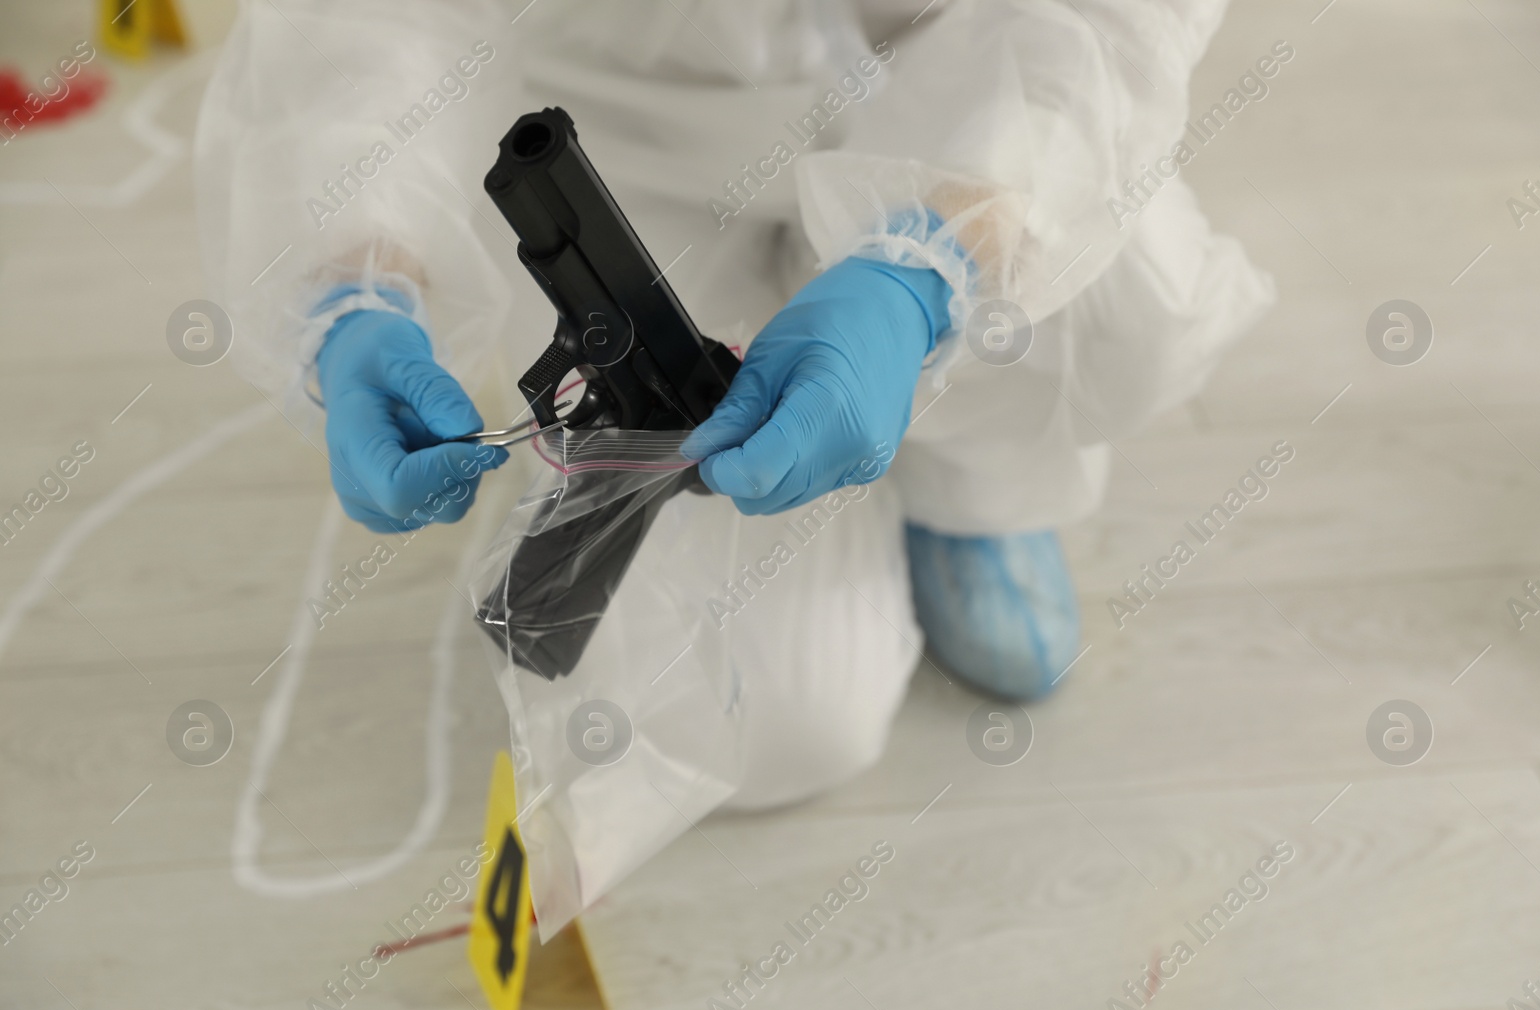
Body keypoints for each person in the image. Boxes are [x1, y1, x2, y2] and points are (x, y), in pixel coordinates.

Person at [196, 0, 1272, 809]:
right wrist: (356, 283)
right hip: (627, 130)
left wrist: (927, 264)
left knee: (1132, 308)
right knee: (784, 724)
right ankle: (785, 418)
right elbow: (364, 18)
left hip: (948, 79)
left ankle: (977, 480)